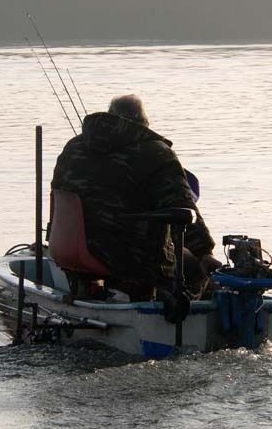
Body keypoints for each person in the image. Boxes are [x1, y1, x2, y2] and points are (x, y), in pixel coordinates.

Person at [51, 94, 221, 299]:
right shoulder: (157, 153)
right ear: (144, 123)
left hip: (70, 248)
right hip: (131, 257)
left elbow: (57, 198)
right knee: (193, 267)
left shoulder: (73, 147)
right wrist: (204, 252)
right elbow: (184, 208)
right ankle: (174, 317)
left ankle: (87, 289)